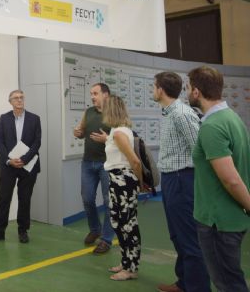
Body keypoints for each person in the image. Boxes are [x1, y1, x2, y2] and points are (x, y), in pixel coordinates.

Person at [187, 66, 250, 292]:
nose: (187, 91)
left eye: (188, 87)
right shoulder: (231, 117)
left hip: (218, 223)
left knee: (228, 283)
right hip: (230, 218)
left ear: (196, 91)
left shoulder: (212, 126)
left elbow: (231, 179)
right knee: (231, 278)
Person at [153, 72, 210, 292]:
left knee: (189, 238)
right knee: (177, 235)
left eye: (154, 86)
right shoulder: (169, 113)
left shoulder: (181, 114)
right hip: (171, 179)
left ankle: (197, 287)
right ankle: (184, 282)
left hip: (182, 179)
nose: (152, 90)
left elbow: (200, 147)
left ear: (161, 90)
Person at [0, 89, 41, 244]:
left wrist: (23, 159)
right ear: (10, 102)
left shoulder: (34, 119)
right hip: (8, 165)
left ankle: (23, 231)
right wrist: (9, 159)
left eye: (22, 97)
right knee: (4, 198)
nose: (19, 100)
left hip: (28, 166)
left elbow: (37, 143)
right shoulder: (4, 118)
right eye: (16, 98)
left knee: (25, 199)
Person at [102, 95, 142, 281]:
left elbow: (134, 161)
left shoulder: (119, 133)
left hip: (124, 181)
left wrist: (140, 184)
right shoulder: (116, 131)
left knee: (128, 224)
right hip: (117, 180)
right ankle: (125, 262)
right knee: (118, 222)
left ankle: (131, 268)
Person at [73, 83, 115, 254]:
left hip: (107, 163)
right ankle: (95, 229)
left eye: (95, 93)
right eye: (91, 93)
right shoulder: (89, 112)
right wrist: (78, 132)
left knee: (108, 202)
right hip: (88, 162)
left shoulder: (114, 112)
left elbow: (125, 135)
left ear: (106, 95)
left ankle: (106, 239)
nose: (92, 96)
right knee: (87, 198)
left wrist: (108, 138)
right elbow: (81, 130)